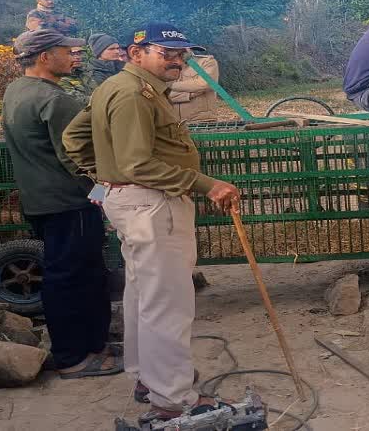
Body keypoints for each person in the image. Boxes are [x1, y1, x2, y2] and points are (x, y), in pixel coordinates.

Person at [63, 21, 240, 423]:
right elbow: (137, 163)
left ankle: (150, 377)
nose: (177, 61)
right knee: (169, 302)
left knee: (144, 294)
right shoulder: (134, 94)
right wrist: (204, 184)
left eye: (181, 55)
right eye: (167, 53)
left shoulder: (116, 88)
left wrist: (106, 176)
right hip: (154, 203)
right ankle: (173, 399)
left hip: (135, 199)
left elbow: (74, 139)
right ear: (135, 52)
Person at [2, 29, 121, 379]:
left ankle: (92, 345)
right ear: (44, 57)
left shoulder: (16, 91)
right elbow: (77, 158)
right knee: (76, 279)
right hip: (69, 202)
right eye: (68, 52)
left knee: (70, 275)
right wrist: (103, 195)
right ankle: (74, 357)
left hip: (40, 200)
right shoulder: (54, 101)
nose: (75, 58)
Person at [168, 54, 220, 123]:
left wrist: (171, 85)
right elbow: (162, 93)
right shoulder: (165, 65)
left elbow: (206, 84)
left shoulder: (206, 61)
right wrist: (191, 93)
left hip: (202, 121)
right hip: (173, 122)